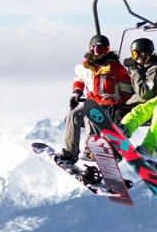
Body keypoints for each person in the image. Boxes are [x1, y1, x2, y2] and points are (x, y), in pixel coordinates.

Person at [55, 34, 133, 164]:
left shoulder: (116, 68)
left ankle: (92, 149)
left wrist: (123, 107)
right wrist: (76, 93)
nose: (102, 54)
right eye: (99, 50)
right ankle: (70, 152)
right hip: (92, 103)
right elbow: (79, 80)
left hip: (110, 105)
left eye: (105, 50)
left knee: (91, 114)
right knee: (72, 116)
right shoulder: (84, 67)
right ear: (91, 49)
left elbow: (126, 89)